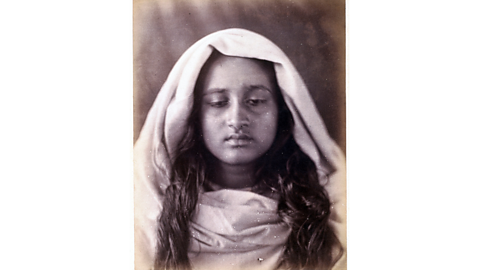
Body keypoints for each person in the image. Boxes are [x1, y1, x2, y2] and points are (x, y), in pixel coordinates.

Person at [134, 28, 346, 270]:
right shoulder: (147, 210)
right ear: (193, 114)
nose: (236, 119)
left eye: (255, 101)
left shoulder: (333, 211)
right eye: (218, 102)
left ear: (282, 111)